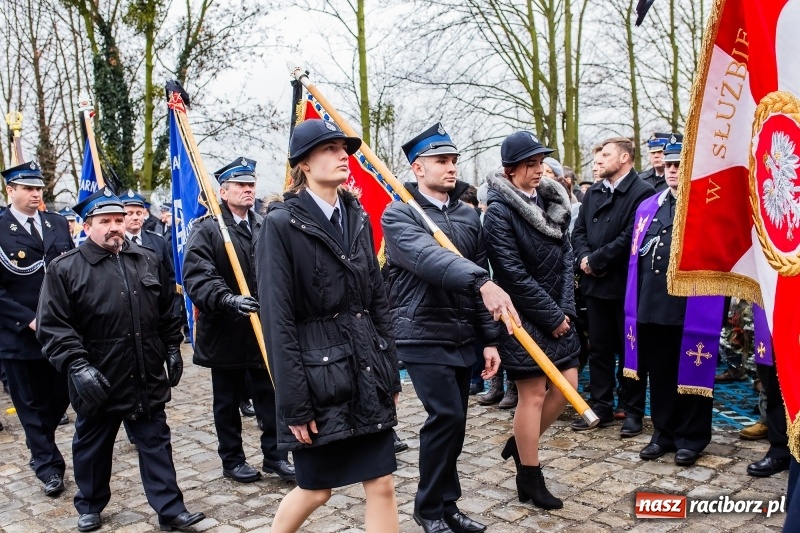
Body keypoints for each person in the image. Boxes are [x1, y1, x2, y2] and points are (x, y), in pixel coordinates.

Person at [257, 119, 400, 532]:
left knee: (382, 482)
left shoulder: (356, 215)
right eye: (330, 149)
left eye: (345, 149)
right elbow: (277, 321)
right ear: (304, 162)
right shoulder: (280, 224)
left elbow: (376, 300)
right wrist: (294, 405)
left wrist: (388, 370)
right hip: (317, 376)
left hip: (364, 370)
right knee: (316, 489)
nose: (343, 156)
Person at [36, 187, 204, 532]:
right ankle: (90, 504)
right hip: (99, 376)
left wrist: (173, 347)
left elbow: (166, 310)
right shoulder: (65, 269)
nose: (114, 226)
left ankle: (171, 510)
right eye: (104, 221)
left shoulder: (147, 258)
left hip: (144, 373)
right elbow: (54, 326)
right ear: (87, 226)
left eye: (119, 219)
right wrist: (77, 365)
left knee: (156, 442)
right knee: (92, 447)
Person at [382, 122, 516, 533]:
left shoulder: (465, 214)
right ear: (418, 168)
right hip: (421, 331)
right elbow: (428, 258)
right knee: (444, 417)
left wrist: (489, 340)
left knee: (455, 422)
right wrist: (482, 281)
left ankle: (448, 504)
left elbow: (479, 277)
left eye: (454, 160)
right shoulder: (400, 212)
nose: (451, 167)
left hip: (461, 333)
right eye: (441, 161)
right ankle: (428, 509)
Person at [483, 132, 580, 509]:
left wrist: (566, 310)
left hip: (559, 312)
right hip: (522, 317)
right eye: (531, 164)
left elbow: (567, 255)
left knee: (568, 387)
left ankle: (520, 445)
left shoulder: (553, 201)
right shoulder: (499, 212)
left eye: (541, 162)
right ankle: (529, 476)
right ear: (511, 170)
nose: (540, 170)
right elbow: (512, 274)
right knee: (534, 393)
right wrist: (551, 315)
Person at [182, 157, 294, 483]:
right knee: (227, 402)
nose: (248, 190)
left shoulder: (264, 224)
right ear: (223, 190)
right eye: (241, 185)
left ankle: (275, 455)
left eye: (251, 184)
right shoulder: (208, 229)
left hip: (262, 327)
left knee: (269, 395)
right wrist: (226, 299)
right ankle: (232, 459)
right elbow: (198, 277)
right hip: (226, 331)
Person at [625, 138, 717, 466]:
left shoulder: (706, 207)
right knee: (661, 374)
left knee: (690, 371)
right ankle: (663, 432)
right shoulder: (649, 206)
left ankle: (691, 438)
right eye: (668, 166)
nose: (673, 171)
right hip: (652, 304)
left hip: (691, 307)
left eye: (680, 165)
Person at [570, 137, 654, 435]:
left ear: (624, 158)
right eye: (598, 156)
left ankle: (632, 411)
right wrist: (583, 257)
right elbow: (579, 230)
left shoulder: (643, 192)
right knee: (600, 350)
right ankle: (601, 406)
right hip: (594, 286)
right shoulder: (593, 192)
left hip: (625, 286)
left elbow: (633, 236)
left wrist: (597, 260)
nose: (598, 161)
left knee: (631, 352)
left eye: (606, 155)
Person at [0, 161, 73, 497]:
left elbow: (71, 273)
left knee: (59, 398)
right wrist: (28, 319)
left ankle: (40, 448)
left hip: (58, 331)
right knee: (28, 403)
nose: (35, 194)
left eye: (38, 188)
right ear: (10, 191)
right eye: (27, 188)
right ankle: (48, 466)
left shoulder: (56, 223)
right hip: (18, 335)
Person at [121, 189, 179, 316]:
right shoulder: (116, 243)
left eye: (138, 213)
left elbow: (170, 280)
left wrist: (173, 313)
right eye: (129, 213)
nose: (135, 217)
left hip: (156, 310)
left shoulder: (158, 241)